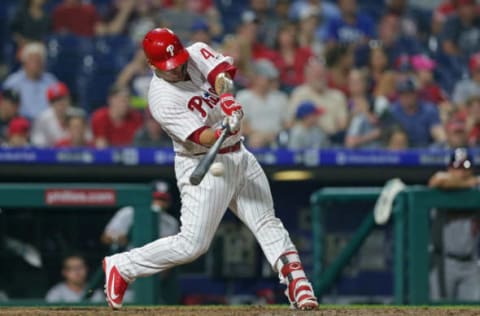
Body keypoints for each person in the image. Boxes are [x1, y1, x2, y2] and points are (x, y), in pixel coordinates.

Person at [102, 28, 318, 311]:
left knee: (266, 220)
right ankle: (123, 266)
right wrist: (221, 131)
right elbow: (200, 137)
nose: (178, 68)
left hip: (239, 155)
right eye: (169, 67)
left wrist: (227, 100)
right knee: (192, 245)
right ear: (152, 66)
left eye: (178, 60)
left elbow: (221, 74)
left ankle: (298, 284)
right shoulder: (161, 99)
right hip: (203, 160)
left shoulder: (194, 53)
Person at [428, 148, 480, 301]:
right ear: (450, 168)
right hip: (444, 261)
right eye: (457, 167)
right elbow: (437, 180)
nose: (462, 172)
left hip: (471, 263)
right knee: (440, 310)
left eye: (465, 167)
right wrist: (471, 182)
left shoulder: (476, 189)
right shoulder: (442, 186)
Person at [289, 58, 348, 139]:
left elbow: (343, 125)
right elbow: (290, 122)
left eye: (321, 74)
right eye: (315, 74)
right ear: (307, 76)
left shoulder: (337, 96)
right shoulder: (299, 93)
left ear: (327, 75)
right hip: (304, 138)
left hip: (330, 140)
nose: (319, 77)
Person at [236, 59, 289, 149]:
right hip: (253, 138)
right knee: (256, 140)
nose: (271, 81)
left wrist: (275, 135)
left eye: (271, 79)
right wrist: (263, 135)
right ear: (257, 78)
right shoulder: (244, 96)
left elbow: (286, 123)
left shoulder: (280, 97)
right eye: (267, 78)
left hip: (276, 137)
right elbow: (242, 125)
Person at [2, 42, 57, 120]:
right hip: (21, 122)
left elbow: (59, 104)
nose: (36, 64)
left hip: (46, 123)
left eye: (39, 60)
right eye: (32, 60)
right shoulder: (13, 82)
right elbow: (5, 108)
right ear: (24, 62)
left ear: (44, 63)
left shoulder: (51, 81)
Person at [390, 77, 446, 147]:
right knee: (398, 137)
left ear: (416, 93)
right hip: (402, 151)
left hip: (425, 149)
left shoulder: (428, 110)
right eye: (403, 94)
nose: (406, 97)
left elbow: (437, 130)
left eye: (409, 93)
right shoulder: (392, 111)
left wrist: (442, 140)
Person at [31, 82, 71, 147]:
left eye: (62, 98)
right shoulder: (42, 119)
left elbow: (87, 139)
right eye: (55, 100)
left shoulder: (77, 116)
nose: (60, 103)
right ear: (50, 103)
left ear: (68, 99)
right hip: (49, 155)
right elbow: (37, 143)